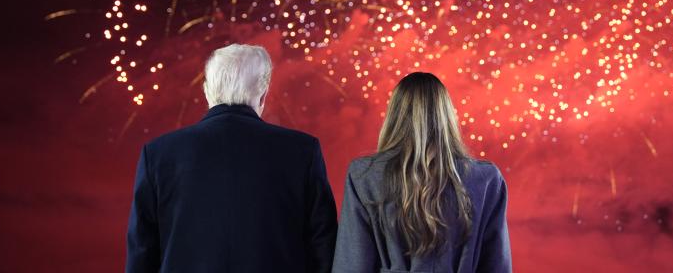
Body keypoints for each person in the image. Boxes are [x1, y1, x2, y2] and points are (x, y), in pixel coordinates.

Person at [126, 43, 338, 273]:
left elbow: (142, 252)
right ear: (263, 94)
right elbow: (323, 249)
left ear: (206, 91)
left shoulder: (158, 154)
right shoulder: (303, 151)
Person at [332, 72, 511, 273]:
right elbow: (497, 266)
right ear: (447, 116)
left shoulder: (364, 175)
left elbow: (352, 264)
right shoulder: (486, 179)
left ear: (394, 115)